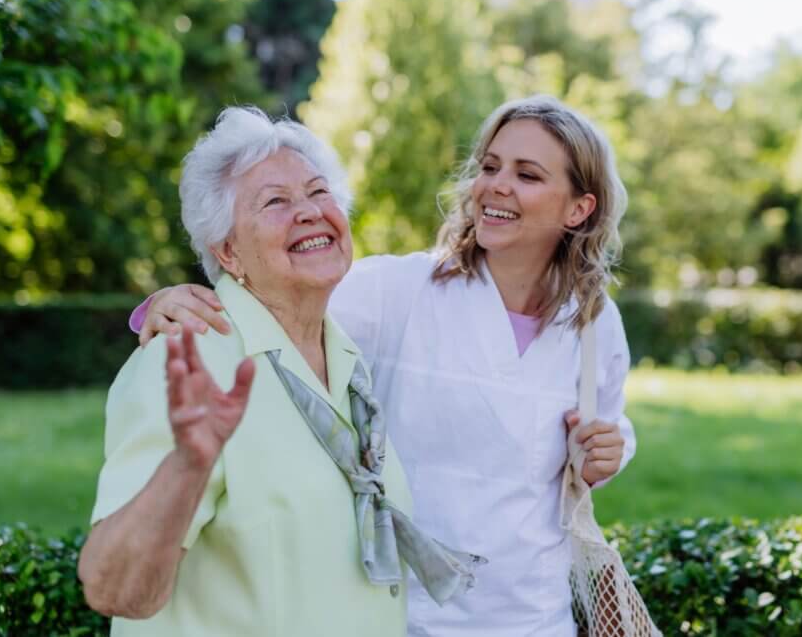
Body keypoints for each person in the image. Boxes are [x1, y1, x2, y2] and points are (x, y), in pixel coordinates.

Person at [134, 95, 636, 636]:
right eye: (490, 166)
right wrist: (163, 305)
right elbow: (267, 304)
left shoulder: (593, 323)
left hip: (536, 617)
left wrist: (608, 453)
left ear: (578, 209)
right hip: (407, 617)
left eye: (528, 175)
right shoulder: (398, 291)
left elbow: (602, 432)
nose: (496, 185)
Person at [78, 107, 480, 636]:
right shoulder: (186, 361)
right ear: (228, 251)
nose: (309, 211)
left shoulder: (345, 358)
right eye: (275, 202)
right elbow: (114, 590)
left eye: (318, 192)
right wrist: (189, 464)